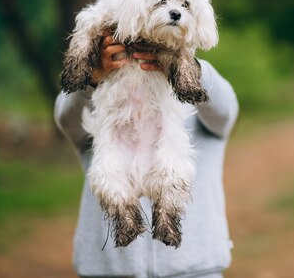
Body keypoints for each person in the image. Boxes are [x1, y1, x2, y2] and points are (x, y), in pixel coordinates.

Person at [54, 32, 239, 278]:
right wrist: (92, 78)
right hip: (108, 270)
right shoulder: (105, 92)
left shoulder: (199, 101)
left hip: (194, 270)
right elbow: (67, 121)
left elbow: (226, 112)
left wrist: (185, 69)